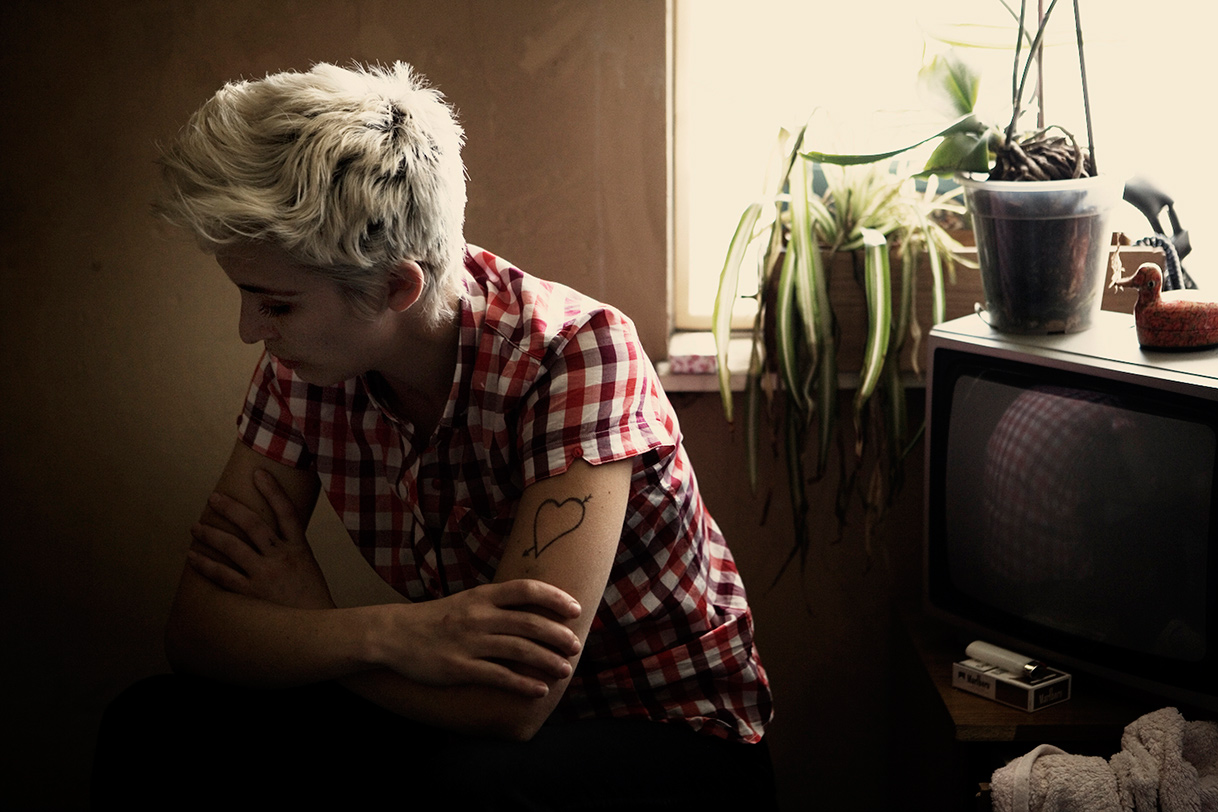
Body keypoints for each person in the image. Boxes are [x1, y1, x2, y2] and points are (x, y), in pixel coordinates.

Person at [93, 61, 774, 809]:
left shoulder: (578, 354)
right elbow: (199, 633)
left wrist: (309, 628)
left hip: (669, 733)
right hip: (444, 709)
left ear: (396, 287)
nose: (249, 331)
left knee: (454, 787)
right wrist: (392, 636)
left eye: (277, 305)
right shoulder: (308, 364)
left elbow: (513, 701)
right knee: (155, 724)